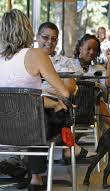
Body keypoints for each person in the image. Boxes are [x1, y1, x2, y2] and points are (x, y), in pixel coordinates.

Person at [0, 9, 69, 190]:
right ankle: (37, 175)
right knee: (58, 112)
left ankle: (25, 169)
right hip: (32, 129)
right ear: (27, 29)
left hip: (3, 129)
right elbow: (65, 92)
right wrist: (53, 101)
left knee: (36, 114)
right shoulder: (36, 55)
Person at [36, 22, 97, 161]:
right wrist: (55, 81)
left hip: (54, 102)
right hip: (34, 103)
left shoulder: (65, 62)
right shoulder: (27, 59)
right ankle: (70, 148)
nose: (49, 42)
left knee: (40, 119)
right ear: (37, 37)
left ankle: (32, 169)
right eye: (45, 37)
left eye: (53, 39)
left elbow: (68, 88)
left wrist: (46, 84)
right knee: (38, 117)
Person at [73, 33, 110, 127]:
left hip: (92, 107)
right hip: (73, 105)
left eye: (95, 50)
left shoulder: (99, 69)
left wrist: (109, 59)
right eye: (88, 48)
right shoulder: (69, 65)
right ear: (80, 48)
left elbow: (109, 84)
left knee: (96, 95)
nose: (92, 52)